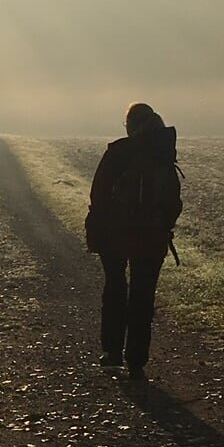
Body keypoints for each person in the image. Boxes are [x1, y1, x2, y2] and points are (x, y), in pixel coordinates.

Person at [84, 103, 183, 379]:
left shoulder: (118, 153)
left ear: (130, 125)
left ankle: (112, 352)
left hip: (115, 234)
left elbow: (98, 195)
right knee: (143, 293)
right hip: (152, 236)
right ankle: (137, 358)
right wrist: (162, 225)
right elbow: (174, 201)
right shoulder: (163, 154)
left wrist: (100, 228)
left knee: (115, 287)